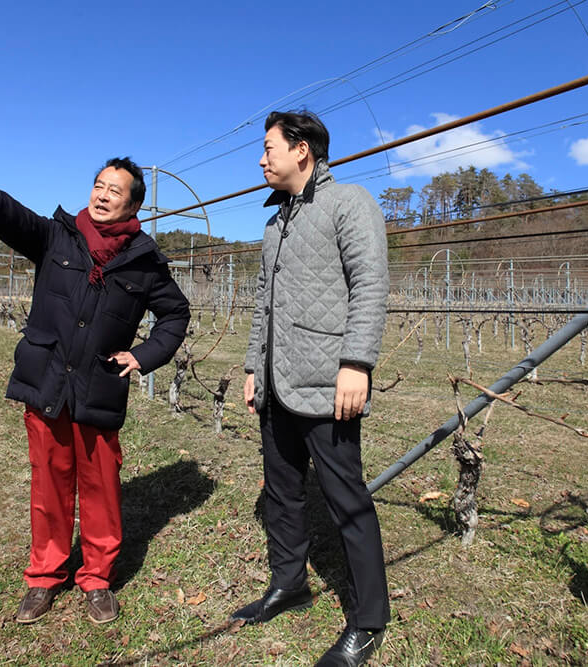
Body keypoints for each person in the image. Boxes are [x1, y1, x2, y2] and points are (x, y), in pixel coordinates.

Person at [0, 137, 189, 625]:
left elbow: (175, 314)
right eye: (97, 186)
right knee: (50, 485)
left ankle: (97, 578)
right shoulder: (58, 236)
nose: (101, 195)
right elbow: (4, 211)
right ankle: (45, 577)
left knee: (101, 489)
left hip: (99, 386)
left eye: (113, 191)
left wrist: (144, 356)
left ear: (134, 204)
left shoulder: (145, 263)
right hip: (48, 384)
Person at [234, 112, 390, 666]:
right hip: (277, 383)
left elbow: (371, 284)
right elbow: (263, 305)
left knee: (346, 499)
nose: (261, 158)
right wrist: (254, 366)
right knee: (282, 491)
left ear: (302, 150)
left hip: (329, 380)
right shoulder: (275, 223)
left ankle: (370, 620)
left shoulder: (349, 203)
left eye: (269, 147)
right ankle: (289, 583)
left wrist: (356, 362)